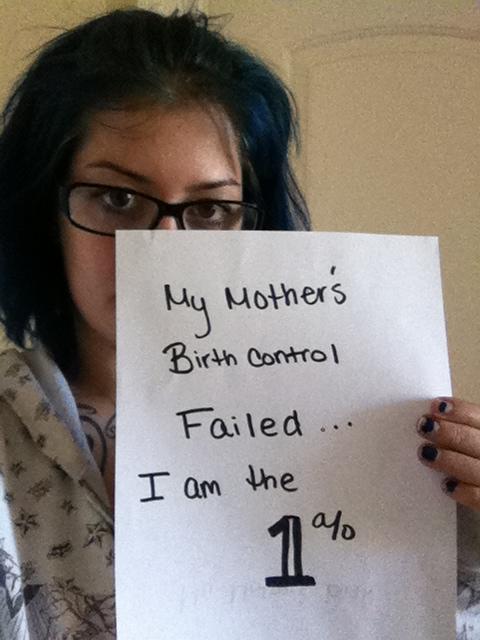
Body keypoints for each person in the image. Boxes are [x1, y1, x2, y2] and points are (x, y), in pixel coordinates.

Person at [0, 7, 478, 639]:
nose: (165, 246)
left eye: (209, 210)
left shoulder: (365, 423)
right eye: (118, 198)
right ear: (45, 212)